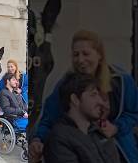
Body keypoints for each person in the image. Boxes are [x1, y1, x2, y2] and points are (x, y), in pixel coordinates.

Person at [30, 30, 138, 163]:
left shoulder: (122, 81)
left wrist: (117, 127)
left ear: (99, 55)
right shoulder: (66, 85)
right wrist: (38, 139)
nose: (80, 60)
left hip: (121, 149)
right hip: (85, 151)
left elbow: (133, 112)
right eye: (76, 54)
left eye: (86, 54)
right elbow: (49, 118)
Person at [43, 72, 120, 163]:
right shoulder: (59, 139)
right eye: (93, 95)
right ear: (75, 100)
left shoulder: (99, 134)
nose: (100, 102)